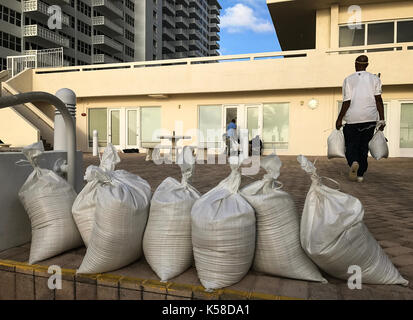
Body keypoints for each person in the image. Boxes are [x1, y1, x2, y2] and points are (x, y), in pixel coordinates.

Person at [336, 55, 386, 183]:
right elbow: (378, 100)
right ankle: (360, 174)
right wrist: (382, 119)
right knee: (363, 147)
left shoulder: (348, 79)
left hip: (353, 119)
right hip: (369, 119)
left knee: (351, 145)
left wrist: (339, 118)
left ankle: (353, 162)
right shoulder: (375, 79)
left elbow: (347, 101)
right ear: (367, 65)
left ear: (355, 64)